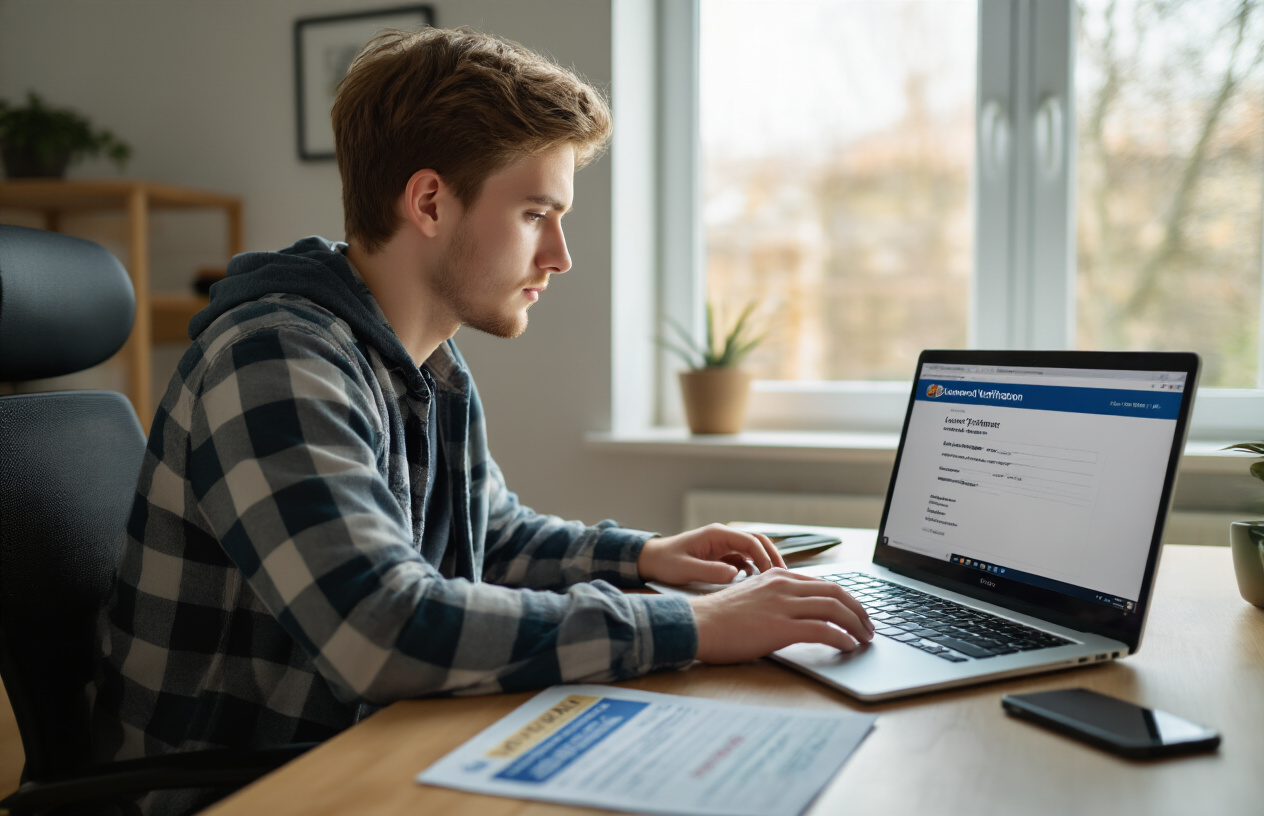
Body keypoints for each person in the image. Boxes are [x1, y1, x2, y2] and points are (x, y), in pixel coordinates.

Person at [91, 25, 872, 815]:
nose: (560, 255)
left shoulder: (428, 365)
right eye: (537, 212)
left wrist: (645, 557)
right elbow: (381, 626)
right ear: (430, 201)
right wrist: (690, 625)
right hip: (248, 790)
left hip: (369, 745)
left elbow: (487, 538)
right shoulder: (273, 361)